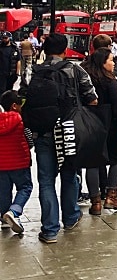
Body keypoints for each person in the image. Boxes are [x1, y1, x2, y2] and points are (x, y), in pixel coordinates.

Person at [20, 33, 98, 243]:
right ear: (65, 51)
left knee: (46, 180)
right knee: (70, 174)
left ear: (44, 50)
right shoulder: (74, 69)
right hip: (68, 132)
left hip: (42, 133)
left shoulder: (32, 71)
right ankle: (71, 216)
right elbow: (92, 99)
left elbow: (21, 98)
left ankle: (50, 229)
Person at [81, 48, 117, 214]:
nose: (113, 63)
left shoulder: (84, 78)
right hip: (111, 126)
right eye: (110, 60)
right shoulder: (110, 81)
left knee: (92, 163)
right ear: (102, 62)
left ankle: (95, 202)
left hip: (89, 126)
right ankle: (111, 196)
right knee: (116, 160)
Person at [0, 90, 33, 234]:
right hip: (20, 163)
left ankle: (4, 218)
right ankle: (14, 211)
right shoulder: (20, 120)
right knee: (25, 187)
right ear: (14, 106)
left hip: (1, 165)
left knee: (4, 191)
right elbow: (30, 141)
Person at [0, 32, 20, 97]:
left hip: (11, 73)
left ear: (10, 38)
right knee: (1, 90)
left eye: (6, 38)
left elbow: (18, 61)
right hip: (1, 73)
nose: (4, 39)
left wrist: (17, 73)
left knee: (9, 91)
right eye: (3, 38)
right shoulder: (0, 47)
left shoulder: (14, 48)